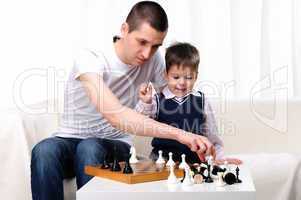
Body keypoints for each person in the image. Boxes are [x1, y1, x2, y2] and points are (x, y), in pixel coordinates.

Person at [30, 1, 215, 200]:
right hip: (70, 138)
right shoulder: (91, 57)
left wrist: (203, 146)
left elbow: (178, 98)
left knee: (89, 147)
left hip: (115, 144)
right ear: (124, 30)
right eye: (142, 42)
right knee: (44, 150)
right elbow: (116, 115)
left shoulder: (155, 60)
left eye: (155, 46)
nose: (147, 54)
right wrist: (181, 135)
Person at [135, 42, 242, 164]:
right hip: (161, 161)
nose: (182, 83)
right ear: (166, 75)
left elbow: (212, 136)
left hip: (194, 162)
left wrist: (219, 157)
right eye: (176, 77)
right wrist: (146, 102)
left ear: (196, 77)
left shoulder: (201, 101)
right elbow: (140, 123)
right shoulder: (156, 99)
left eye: (188, 78)